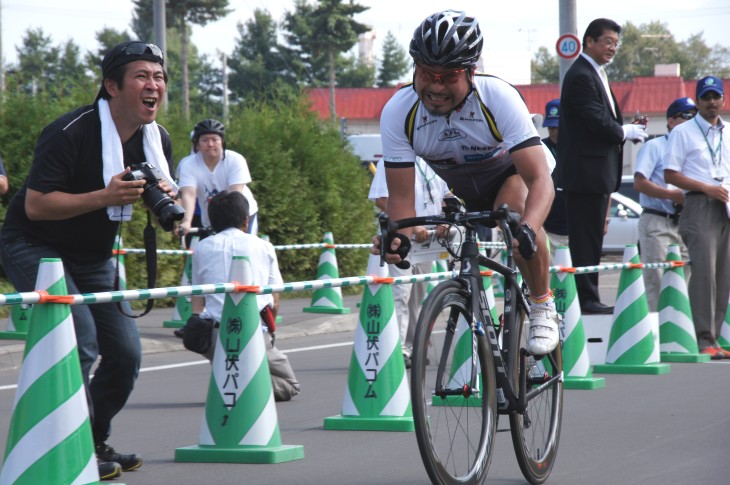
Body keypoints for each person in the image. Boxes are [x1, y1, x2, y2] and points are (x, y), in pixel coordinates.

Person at [0, 41, 175, 480]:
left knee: (126, 353)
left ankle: (92, 439)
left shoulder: (158, 141)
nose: (153, 85)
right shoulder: (71, 131)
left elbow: (145, 195)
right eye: (142, 76)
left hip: (94, 256)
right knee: (80, 338)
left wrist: (165, 203)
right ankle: (64, 445)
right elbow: (36, 205)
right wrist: (105, 196)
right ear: (112, 86)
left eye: (159, 77)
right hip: (35, 245)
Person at [377, 10, 560, 356]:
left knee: (514, 215)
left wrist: (528, 229)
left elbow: (540, 180)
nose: (435, 86)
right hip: (462, 190)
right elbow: (400, 199)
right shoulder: (399, 112)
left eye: (449, 76)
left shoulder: (497, 98)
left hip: (514, 176)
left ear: (471, 73)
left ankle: (541, 304)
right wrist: (397, 237)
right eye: (427, 74)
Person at [557, 18, 649, 315]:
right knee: (586, 240)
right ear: (589, 41)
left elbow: (600, 118)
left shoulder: (595, 73)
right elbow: (595, 119)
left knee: (592, 239)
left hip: (595, 175)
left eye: (615, 43)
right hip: (585, 175)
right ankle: (586, 299)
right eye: (608, 41)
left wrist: (624, 128)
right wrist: (625, 131)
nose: (613, 48)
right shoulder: (581, 74)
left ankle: (590, 296)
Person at [189, 190, 300, 400]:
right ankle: (245, 388)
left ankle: (233, 381)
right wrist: (270, 332)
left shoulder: (202, 248)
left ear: (211, 221)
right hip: (253, 330)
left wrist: (195, 322)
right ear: (246, 220)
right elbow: (274, 299)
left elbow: (198, 296)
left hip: (213, 335)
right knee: (288, 384)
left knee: (231, 369)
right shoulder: (264, 246)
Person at [664, 76, 730, 360]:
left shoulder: (728, 132)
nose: (711, 102)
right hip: (700, 203)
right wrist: (705, 187)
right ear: (698, 100)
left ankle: (714, 337)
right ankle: (703, 338)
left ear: (723, 100)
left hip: (725, 205)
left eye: (716, 97)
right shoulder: (684, 132)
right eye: (706, 97)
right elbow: (670, 174)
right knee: (704, 273)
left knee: (723, 276)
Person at [369, 157, 451, 368]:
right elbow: (380, 199)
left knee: (417, 296)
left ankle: (414, 347)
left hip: (427, 239)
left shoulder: (433, 161)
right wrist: (411, 224)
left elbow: (444, 195)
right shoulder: (391, 160)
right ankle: (395, 349)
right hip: (400, 237)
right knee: (400, 294)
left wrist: (445, 218)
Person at [633, 97, 696, 311]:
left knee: (687, 280)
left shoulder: (693, 150)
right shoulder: (655, 146)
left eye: (695, 117)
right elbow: (640, 183)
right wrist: (672, 195)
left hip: (686, 222)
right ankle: (655, 335)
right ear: (671, 121)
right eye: (687, 116)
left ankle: (681, 335)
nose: (692, 121)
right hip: (658, 221)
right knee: (657, 281)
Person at [175, 118, 259, 237]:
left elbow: (235, 196)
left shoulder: (235, 160)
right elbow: (189, 195)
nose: (210, 144)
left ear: (222, 142)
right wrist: (186, 222)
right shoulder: (188, 165)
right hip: (212, 221)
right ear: (197, 143)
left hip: (241, 217)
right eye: (204, 140)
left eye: (215, 140)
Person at [540, 99, 568, 260]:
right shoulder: (540, 148)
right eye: (550, 127)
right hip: (548, 227)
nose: (554, 131)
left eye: (557, 127)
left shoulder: (577, 149)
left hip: (574, 227)